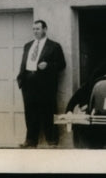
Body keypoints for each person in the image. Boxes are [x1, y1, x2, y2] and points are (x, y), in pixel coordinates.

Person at [16, 20, 66, 148]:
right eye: (33, 29)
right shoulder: (28, 45)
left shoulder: (54, 46)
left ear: (45, 29)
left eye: (38, 29)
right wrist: (21, 78)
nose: (35, 31)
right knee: (30, 112)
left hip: (45, 84)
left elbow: (62, 64)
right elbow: (24, 62)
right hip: (28, 82)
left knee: (48, 111)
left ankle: (52, 140)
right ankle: (31, 141)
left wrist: (48, 66)